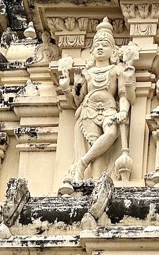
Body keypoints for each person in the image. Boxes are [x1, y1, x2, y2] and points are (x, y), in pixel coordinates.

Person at [58, 19, 136, 187]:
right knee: (96, 152)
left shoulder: (117, 70)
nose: (100, 47)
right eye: (97, 45)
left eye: (105, 44)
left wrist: (123, 111)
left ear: (113, 51)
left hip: (109, 111)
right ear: (92, 51)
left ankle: (82, 163)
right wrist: (66, 88)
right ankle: (89, 179)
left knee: (110, 134)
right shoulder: (86, 73)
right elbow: (76, 101)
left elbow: (124, 94)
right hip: (88, 112)